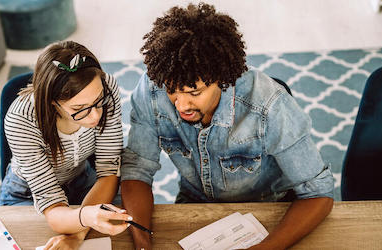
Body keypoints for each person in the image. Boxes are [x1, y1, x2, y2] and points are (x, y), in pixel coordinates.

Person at [120, 3, 335, 250]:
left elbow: (318, 193)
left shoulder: (270, 106)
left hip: (268, 208)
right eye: (172, 91)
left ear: (222, 79)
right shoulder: (151, 89)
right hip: (193, 203)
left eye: (194, 92)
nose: (181, 105)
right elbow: (137, 170)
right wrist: (143, 242)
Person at [0, 41, 131, 250]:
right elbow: (52, 207)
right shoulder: (21, 119)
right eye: (80, 108)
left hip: (83, 179)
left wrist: (77, 235)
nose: (96, 115)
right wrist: (86, 218)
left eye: (98, 101)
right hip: (28, 193)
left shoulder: (107, 87)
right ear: (52, 102)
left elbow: (108, 170)